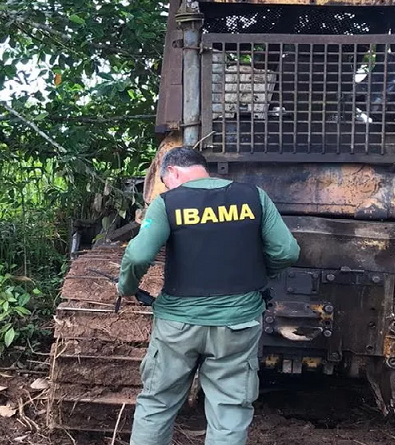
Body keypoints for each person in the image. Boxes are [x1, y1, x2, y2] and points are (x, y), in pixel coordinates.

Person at [118, 147, 300, 445]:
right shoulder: (254, 196)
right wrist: (256, 269)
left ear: (173, 172)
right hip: (238, 324)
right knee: (229, 410)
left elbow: (138, 256)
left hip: (178, 326)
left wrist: (126, 288)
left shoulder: (167, 203)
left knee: (157, 404)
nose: (167, 187)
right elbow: (288, 252)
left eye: (165, 180)